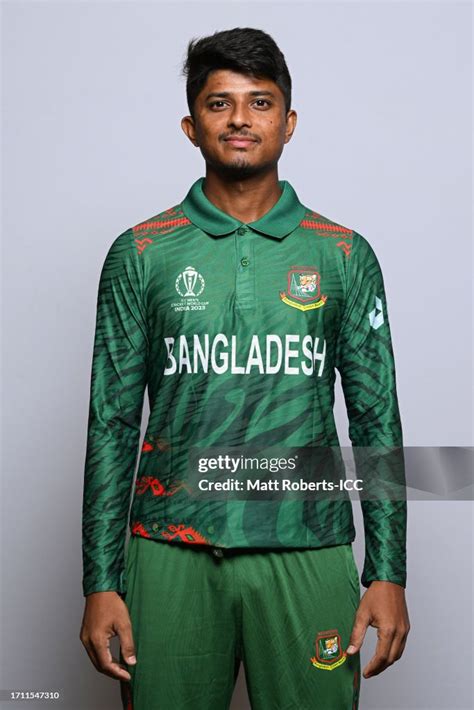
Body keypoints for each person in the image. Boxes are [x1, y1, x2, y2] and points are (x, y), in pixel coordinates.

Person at [79, 26, 410, 710]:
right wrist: (99, 580)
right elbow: (110, 422)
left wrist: (388, 572)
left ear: (288, 123)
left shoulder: (342, 255)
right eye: (218, 102)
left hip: (306, 546)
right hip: (169, 549)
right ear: (190, 124)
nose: (239, 119)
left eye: (259, 103)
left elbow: (376, 416)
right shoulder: (142, 253)